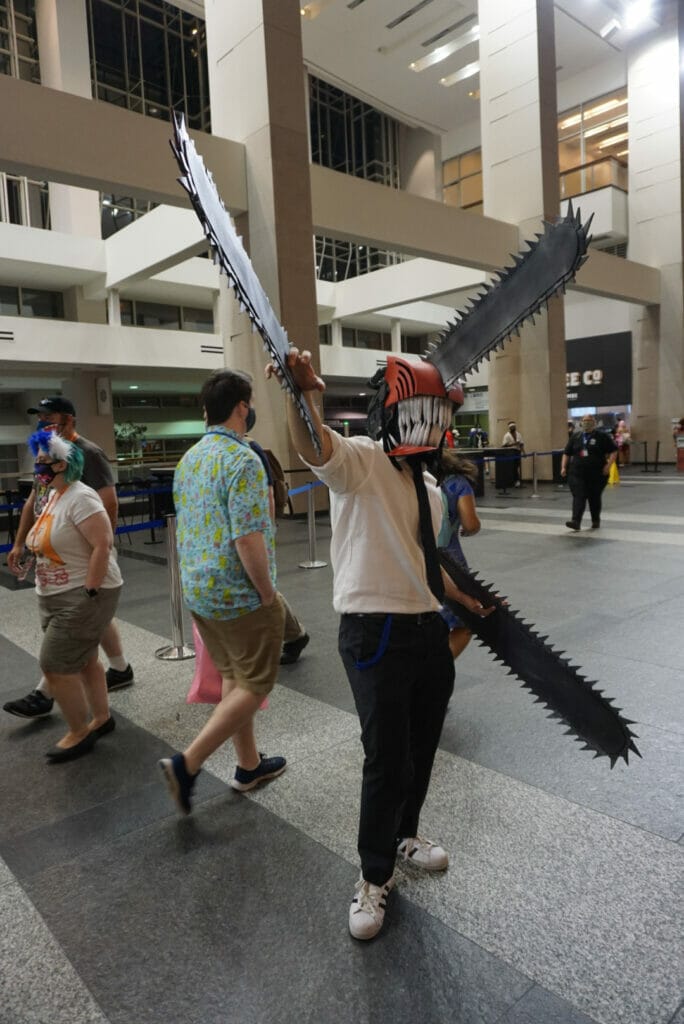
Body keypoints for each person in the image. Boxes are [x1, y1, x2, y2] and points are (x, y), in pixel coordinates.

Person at [268, 349, 492, 941]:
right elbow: (314, 448)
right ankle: (374, 874)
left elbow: (426, 561)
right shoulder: (363, 462)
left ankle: (405, 832)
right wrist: (303, 395)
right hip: (374, 633)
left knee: (419, 750)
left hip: (427, 630)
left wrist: (466, 604)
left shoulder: (431, 490)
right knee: (386, 757)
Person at [159, 369, 287, 815]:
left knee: (234, 675)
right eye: (249, 404)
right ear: (241, 408)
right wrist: (268, 594)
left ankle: (249, 766)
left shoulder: (188, 460)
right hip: (239, 595)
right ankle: (187, 763)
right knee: (256, 682)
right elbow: (247, 538)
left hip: (199, 593)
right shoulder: (244, 460)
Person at [4, 397, 134, 721]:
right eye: (41, 417)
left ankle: (45, 693)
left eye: (50, 416)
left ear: (69, 419)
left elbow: (109, 503)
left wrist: (101, 549)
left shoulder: (87, 453)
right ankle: (119, 668)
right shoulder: (45, 453)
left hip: (87, 550)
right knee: (92, 623)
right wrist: (20, 542)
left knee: (76, 627)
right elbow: (34, 500)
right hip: (60, 552)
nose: (44, 421)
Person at [14, 429, 122, 761]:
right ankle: (102, 718)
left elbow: (103, 544)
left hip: (84, 592)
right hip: (55, 593)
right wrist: (29, 554)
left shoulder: (81, 496)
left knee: (55, 665)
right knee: (86, 658)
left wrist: (89, 590)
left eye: (44, 463)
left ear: (63, 464)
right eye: (38, 463)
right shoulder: (52, 496)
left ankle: (78, 732)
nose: (39, 470)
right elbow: (51, 538)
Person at [245, 431, 310, 665]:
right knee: (259, 585)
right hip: (244, 531)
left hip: (255, 531)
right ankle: (294, 635)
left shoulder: (250, 448)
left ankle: (292, 635)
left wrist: (268, 528)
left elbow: (269, 492)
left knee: (261, 585)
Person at [434, 450, 481, 659]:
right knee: (465, 621)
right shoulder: (458, 483)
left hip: (413, 556)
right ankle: (438, 669)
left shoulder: (408, 479)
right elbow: (471, 523)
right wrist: (469, 530)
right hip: (450, 559)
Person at [560, 414, 617, 530]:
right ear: (581, 422)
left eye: (589, 420)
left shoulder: (602, 436)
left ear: (594, 422)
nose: (587, 422)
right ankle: (575, 521)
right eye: (584, 420)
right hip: (577, 473)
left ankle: (595, 520)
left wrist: (608, 465)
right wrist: (563, 467)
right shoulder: (576, 436)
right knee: (579, 496)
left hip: (597, 474)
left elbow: (614, 451)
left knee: (594, 497)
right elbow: (566, 453)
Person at [502, 421, 524, 487]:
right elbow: (503, 445)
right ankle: (515, 481)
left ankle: (517, 480)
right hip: (510, 452)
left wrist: (524, 452)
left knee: (517, 466)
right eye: (511, 427)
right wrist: (513, 444)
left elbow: (521, 444)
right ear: (509, 428)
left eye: (514, 427)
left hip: (518, 452)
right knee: (513, 467)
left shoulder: (519, 434)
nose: (513, 428)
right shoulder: (506, 435)